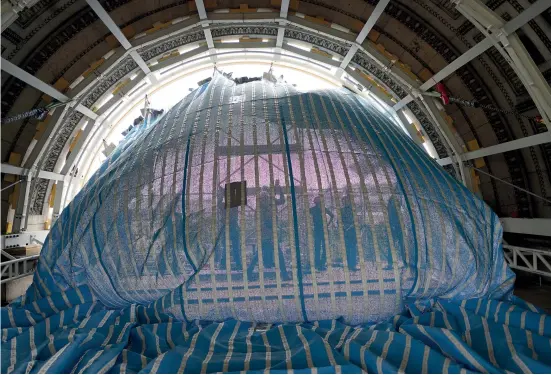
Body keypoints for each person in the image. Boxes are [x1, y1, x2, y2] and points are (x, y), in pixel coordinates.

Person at [247, 180, 290, 281]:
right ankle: (284, 275)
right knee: (278, 254)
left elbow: (281, 201)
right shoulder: (263, 209)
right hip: (268, 235)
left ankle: (249, 272)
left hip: (266, 235)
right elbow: (265, 223)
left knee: (259, 254)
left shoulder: (263, 207)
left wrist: (279, 190)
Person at [216, 187, 241, 271]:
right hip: (233, 227)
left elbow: (219, 202)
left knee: (226, 247)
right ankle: (238, 264)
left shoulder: (225, 205)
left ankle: (224, 265)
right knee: (234, 247)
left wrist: (222, 193)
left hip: (228, 227)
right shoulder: (234, 205)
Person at [310, 195, 334, 271]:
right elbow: (332, 216)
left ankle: (318, 264)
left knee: (318, 247)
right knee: (323, 248)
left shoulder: (313, 209)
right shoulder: (322, 209)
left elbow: (332, 215)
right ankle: (321, 264)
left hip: (318, 230)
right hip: (322, 230)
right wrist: (328, 224)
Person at [340, 195, 358, 271]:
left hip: (351, 231)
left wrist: (349, 226)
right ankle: (350, 264)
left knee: (352, 248)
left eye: (346, 201)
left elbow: (355, 220)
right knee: (348, 248)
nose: (344, 202)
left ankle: (352, 264)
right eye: (343, 201)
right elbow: (339, 221)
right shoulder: (342, 210)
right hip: (346, 231)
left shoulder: (352, 210)